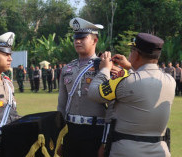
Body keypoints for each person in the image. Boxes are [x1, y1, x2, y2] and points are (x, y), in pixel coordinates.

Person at [88, 33, 176, 157]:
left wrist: (105, 69)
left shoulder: (125, 81)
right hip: (160, 150)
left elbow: (94, 93)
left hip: (126, 151)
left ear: (136, 54)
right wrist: (131, 66)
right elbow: (147, 76)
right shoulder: (170, 81)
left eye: (131, 51)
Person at [57, 17, 108, 157]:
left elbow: (113, 108)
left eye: (83, 38)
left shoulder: (104, 67)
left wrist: (105, 142)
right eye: (75, 38)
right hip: (71, 131)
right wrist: (59, 138)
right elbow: (61, 105)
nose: (77, 41)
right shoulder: (67, 68)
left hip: (95, 131)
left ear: (94, 40)